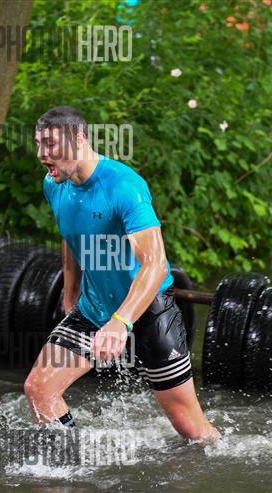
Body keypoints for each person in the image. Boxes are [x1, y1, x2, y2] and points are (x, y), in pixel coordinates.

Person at [23, 105, 220, 444]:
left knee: (191, 430)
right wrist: (71, 293)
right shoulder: (54, 185)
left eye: (50, 144)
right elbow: (71, 236)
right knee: (39, 389)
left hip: (148, 312)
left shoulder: (125, 186)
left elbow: (155, 264)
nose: (42, 154)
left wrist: (120, 322)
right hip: (94, 309)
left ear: (79, 139)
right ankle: (70, 465)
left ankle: (220, 458)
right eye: (38, 144)